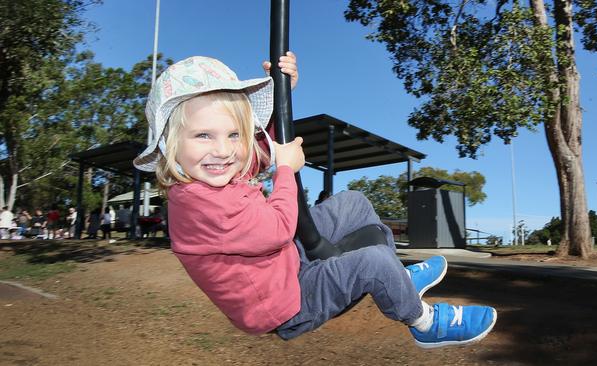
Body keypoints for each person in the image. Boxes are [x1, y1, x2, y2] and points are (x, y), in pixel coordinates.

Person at [132, 53, 496, 348]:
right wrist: (285, 171)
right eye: (204, 135)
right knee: (370, 262)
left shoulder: (215, 170)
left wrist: (282, 94)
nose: (224, 149)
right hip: (285, 304)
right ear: (170, 146)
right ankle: (424, 322)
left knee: (353, 202)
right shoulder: (196, 203)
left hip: (287, 261)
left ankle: (396, 277)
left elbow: (261, 149)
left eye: (233, 134)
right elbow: (277, 228)